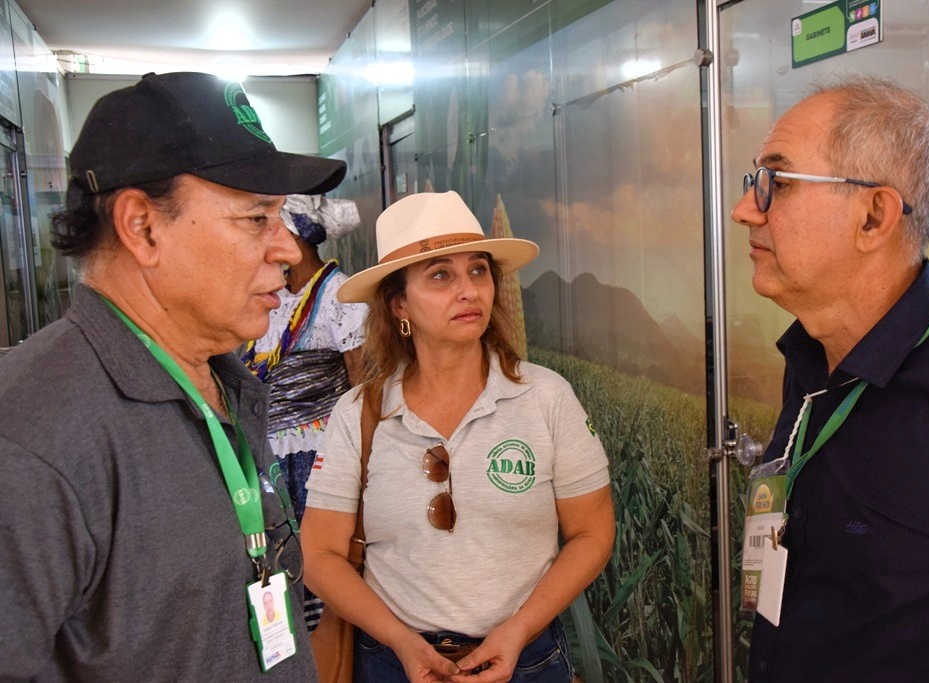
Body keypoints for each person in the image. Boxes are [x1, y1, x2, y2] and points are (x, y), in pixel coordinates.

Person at [0, 71, 349, 680]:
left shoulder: (225, 380)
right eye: (256, 218)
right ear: (143, 227)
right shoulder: (33, 440)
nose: (289, 250)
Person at [731, 74, 929, 680]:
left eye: (778, 183)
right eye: (755, 182)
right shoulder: (812, 363)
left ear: (873, 216)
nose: (744, 210)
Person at [300, 190, 616, 682]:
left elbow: (592, 532)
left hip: (528, 660)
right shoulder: (360, 413)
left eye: (478, 270)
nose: (469, 291)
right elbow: (319, 555)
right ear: (399, 303)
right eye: (441, 275)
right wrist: (400, 641)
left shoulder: (546, 398)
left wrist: (520, 629)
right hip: (392, 663)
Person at [242, 193, 369, 630]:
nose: (264, 238)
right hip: (268, 463)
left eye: (270, 226)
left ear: (295, 236)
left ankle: (325, 651)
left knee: (318, 572)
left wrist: (364, 471)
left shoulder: (341, 295)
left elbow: (363, 389)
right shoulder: (270, 296)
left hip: (318, 463)